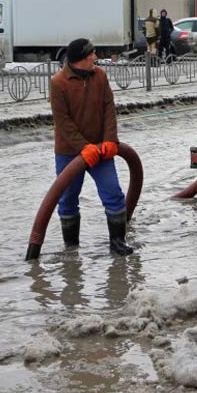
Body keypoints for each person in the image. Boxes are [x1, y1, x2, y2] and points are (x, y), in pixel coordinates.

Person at [50, 38, 134, 255]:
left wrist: (110, 140)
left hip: (101, 149)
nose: (95, 58)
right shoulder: (59, 82)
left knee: (113, 192)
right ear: (80, 59)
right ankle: (71, 248)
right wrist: (82, 147)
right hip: (69, 152)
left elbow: (109, 108)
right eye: (92, 55)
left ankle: (117, 242)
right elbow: (63, 121)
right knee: (67, 199)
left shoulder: (100, 76)